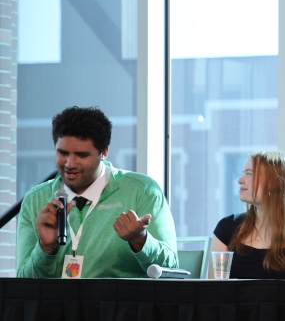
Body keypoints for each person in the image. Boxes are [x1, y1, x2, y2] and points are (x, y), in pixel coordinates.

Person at [16, 106, 178, 278]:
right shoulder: (35, 199)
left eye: (82, 155)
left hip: (118, 303)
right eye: (62, 153)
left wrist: (141, 240)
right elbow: (24, 285)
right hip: (57, 304)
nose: (70, 164)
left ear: (104, 152)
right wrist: (45, 248)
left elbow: (171, 269)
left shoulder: (142, 191)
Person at [211, 151, 285, 279]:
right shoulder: (226, 228)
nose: (240, 180)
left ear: (273, 184)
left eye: (249, 174)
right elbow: (215, 290)